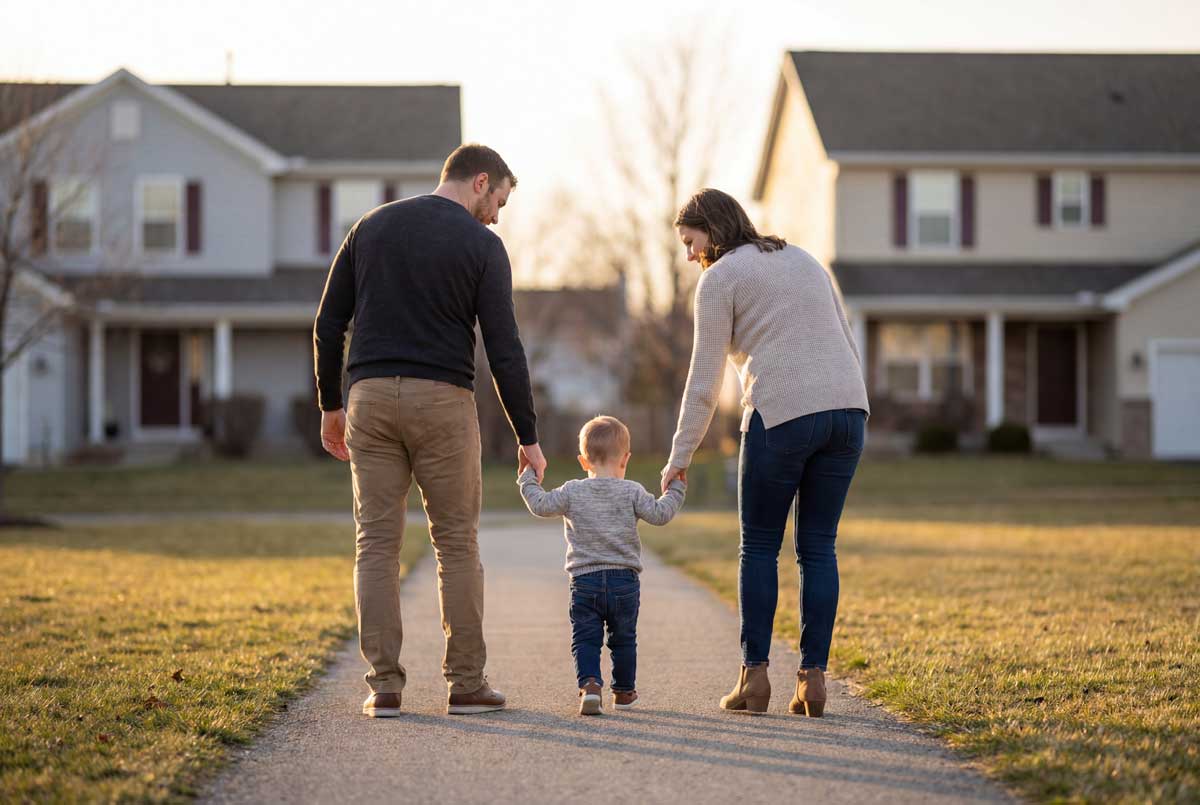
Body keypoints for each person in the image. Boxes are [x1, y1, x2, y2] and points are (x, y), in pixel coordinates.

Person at [313, 143, 547, 717]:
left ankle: (384, 688)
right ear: (481, 182)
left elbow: (327, 323)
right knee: (457, 543)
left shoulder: (369, 228)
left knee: (375, 543)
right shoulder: (483, 246)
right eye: (500, 201)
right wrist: (528, 435)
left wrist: (330, 403)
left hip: (368, 397)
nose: (497, 215)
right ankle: (466, 684)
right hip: (443, 400)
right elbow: (505, 350)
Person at [661, 188, 869, 717]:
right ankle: (813, 680)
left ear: (712, 229)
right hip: (848, 413)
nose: (689, 255)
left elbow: (704, 382)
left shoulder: (720, 278)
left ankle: (754, 679)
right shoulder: (804, 259)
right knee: (818, 546)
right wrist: (848, 407)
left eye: (691, 242)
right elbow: (846, 338)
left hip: (783, 414)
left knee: (758, 546)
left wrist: (680, 454)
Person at [517, 415, 686, 715]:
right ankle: (623, 692)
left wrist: (527, 478)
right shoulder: (632, 490)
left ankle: (591, 685)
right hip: (624, 581)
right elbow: (660, 514)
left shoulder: (572, 491)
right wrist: (676, 489)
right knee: (624, 639)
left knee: (585, 638)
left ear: (583, 461)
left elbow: (540, 505)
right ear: (626, 458)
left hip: (584, 581)